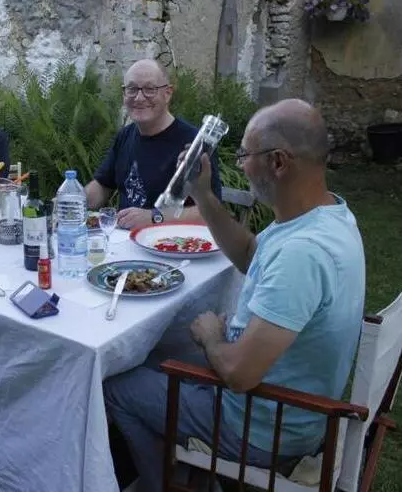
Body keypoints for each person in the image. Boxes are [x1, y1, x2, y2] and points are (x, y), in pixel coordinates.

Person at [104, 99, 366, 491]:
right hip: (286, 401)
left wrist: (212, 338)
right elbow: (248, 254)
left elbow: (239, 374)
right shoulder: (324, 218)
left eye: (244, 155)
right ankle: (179, 468)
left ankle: (168, 484)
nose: (240, 165)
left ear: (278, 162)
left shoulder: (302, 253)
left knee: (116, 384)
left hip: (264, 428)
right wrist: (202, 194)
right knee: (159, 352)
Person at [86, 59, 222, 228]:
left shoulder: (195, 143)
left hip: (172, 241)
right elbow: (101, 187)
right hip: (123, 239)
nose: (139, 97)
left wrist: (154, 217)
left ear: (168, 93)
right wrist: (71, 200)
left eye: (150, 89)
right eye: (132, 89)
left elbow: (211, 212)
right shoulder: (125, 136)